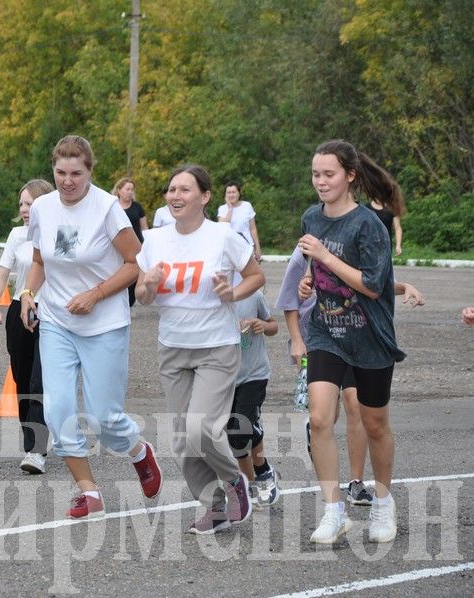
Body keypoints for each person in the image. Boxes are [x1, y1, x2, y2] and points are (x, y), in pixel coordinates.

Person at [19, 135, 162, 520]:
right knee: (58, 409)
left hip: (104, 323)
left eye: (76, 173)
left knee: (105, 417)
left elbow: (135, 264)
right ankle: (89, 491)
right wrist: (29, 292)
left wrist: (96, 294)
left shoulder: (107, 208)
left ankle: (138, 451)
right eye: (61, 172)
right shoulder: (44, 209)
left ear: (89, 172)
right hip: (56, 321)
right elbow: (39, 259)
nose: (68, 181)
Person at [135, 164, 264, 535]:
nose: (175, 196)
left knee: (201, 429)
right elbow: (143, 298)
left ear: (205, 197)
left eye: (185, 190)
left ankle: (235, 480)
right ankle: (214, 507)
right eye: (171, 190)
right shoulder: (155, 240)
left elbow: (256, 276)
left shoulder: (222, 236)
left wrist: (232, 293)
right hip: (173, 350)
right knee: (181, 441)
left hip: (217, 348)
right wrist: (150, 284)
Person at [298, 139, 406, 545]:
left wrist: (325, 257)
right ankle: (333, 510)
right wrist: (312, 282)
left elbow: (374, 287)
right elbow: (319, 271)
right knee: (320, 419)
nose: (320, 182)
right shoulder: (311, 217)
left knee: (375, 423)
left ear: (350, 176)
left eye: (328, 174)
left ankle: (382, 501)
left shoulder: (369, 225)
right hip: (327, 332)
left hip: (370, 337)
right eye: (315, 174)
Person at [276, 245, 424, 507]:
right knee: (325, 418)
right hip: (320, 340)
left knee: (356, 405)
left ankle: (356, 483)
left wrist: (406, 287)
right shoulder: (306, 251)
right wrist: (297, 341)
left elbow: (378, 285)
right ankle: (316, 428)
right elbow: (290, 300)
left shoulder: (362, 243)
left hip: (359, 339)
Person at [0, 179, 54, 475]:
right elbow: (2, 274)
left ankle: (37, 450)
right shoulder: (16, 235)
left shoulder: (58, 233)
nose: (24, 209)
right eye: (22, 204)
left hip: (50, 313)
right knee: (23, 381)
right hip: (18, 311)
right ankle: (33, 442)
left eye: (30, 203)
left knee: (41, 381)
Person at [227, 289, 279, 507]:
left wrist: (263, 325)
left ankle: (263, 470)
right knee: (235, 435)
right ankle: (251, 487)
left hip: (254, 374)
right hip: (224, 377)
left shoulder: (253, 295)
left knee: (242, 427)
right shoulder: (209, 298)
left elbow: (273, 326)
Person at [112, 177, 148, 307]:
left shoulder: (138, 207)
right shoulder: (113, 207)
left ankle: (129, 303)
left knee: (134, 275)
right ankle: (118, 302)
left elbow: (144, 228)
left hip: (136, 247)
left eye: (132, 189)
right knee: (119, 274)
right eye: (127, 189)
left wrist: (148, 244)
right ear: (119, 190)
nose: (130, 192)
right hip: (117, 248)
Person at [217, 181, 262, 263]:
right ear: (225, 195)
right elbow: (222, 227)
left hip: (246, 247)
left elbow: (253, 229)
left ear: (239, 193)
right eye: (229, 193)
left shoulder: (247, 206)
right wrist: (230, 209)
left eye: (234, 192)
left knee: (248, 274)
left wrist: (257, 248)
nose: (231, 195)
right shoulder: (222, 209)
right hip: (229, 248)